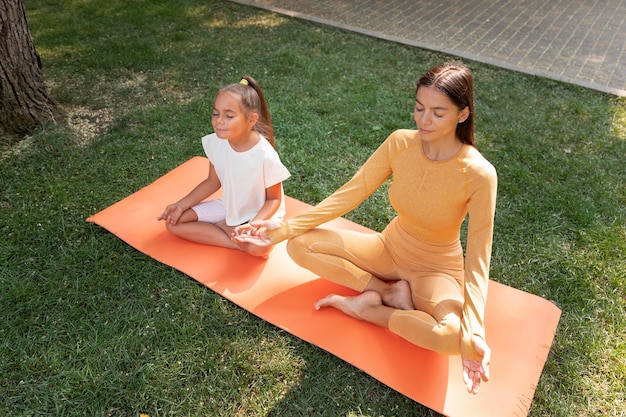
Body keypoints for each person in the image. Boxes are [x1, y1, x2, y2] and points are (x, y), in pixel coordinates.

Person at [233, 63, 497, 393]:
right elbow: (349, 194)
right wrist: (275, 234)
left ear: (462, 114)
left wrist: (474, 333)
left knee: (451, 337)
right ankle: (389, 292)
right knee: (299, 246)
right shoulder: (401, 143)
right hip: (388, 249)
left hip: (437, 271)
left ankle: (370, 311)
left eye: (438, 113)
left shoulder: (479, 174)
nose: (423, 120)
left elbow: (478, 259)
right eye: (419, 108)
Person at [158, 76, 290, 257]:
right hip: (228, 206)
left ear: (251, 120)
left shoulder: (265, 155)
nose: (219, 121)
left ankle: (232, 231)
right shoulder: (216, 142)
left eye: (229, 116)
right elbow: (213, 181)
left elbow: (273, 200)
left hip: (259, 215)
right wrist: (181, 205)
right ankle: (235, 241)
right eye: (215, 113)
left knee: (259, 248)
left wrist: (253, 226)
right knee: (174, 222)